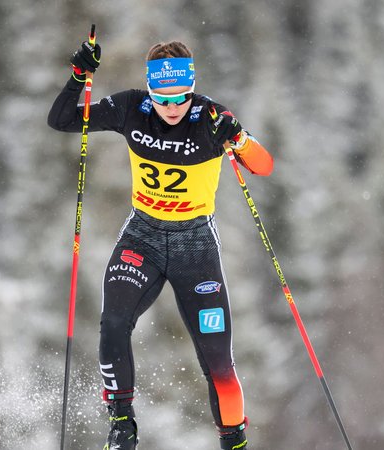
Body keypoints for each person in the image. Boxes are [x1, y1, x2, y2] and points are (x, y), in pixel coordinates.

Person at [48, 38, 273, 450]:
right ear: (150, 91)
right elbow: (62, 119)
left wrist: (238, 139)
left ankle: (234, 441)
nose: (173, 107)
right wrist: (79, 76)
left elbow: (263, 165)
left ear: (192, 87)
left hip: (195, 245)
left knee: (219, 364)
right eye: (163, 98)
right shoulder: (132, 108)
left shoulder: (211, 117)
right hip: (143, 236)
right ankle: (122, 427)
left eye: (181, 97)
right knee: (114, 323)